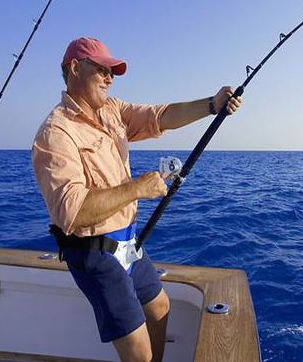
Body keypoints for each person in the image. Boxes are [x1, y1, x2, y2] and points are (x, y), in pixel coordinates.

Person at [32, 37, 241, 362]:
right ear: (75, 68)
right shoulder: (55, 134)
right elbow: (70, 213)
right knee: (139, 354)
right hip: (94, 254)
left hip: (128, 242)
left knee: (160, 306)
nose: (109, 77)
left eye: (111, 71)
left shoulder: (112, 110)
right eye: (101, 69)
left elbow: (160, 116)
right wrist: (138, 188)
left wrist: (212, 105)